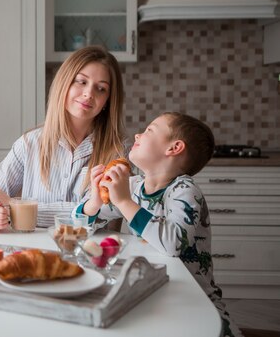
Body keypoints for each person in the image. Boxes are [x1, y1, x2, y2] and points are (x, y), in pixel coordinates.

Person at [74, 112, 242, 337]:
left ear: (174, 148)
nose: (138, 134)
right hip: (151, 290)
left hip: (195, 300)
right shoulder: (133, 186)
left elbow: (173, 244)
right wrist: (94, 201)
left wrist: (123, 201)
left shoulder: (184, 190)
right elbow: (80, 226)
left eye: (149, 130)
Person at [0, 45, 127, 230]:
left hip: (89, 255)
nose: (89, 94)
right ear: (64, 84)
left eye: (101, 88)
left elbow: (97, 211)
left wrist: (15, 207)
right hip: (33, 252)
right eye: (81, 82)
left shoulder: (118, 151)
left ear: (107, 102)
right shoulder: (29, 144)